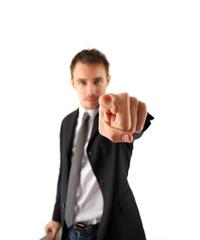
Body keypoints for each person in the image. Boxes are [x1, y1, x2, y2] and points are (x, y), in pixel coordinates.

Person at [44, 49, 154, 240]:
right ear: (72, 83)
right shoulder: (67, 122)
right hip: (70, 231)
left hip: (110, 230)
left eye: (97, 81)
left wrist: (133, 116)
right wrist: (56, 217)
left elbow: (135, 127)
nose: (91, 90)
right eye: (82, 82)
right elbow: (65, 173)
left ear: (108, 80)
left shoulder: (114, 118)